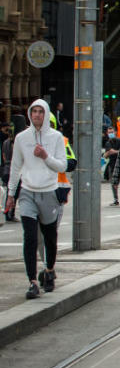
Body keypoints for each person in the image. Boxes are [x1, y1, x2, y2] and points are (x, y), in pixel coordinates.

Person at [5, 100, 67, 299]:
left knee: (49, 237)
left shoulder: (56, 137)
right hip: (27, 191)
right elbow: (15, 167)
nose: (37, 115)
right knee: (30, 237)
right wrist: (11, 194)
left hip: (48, 191)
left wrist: (45, 156)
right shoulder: (22, 138)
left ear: (46, 114)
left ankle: (49, 270)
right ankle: (32, 281)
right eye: (34, 111)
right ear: (30, 114)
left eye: (41, 111)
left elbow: (62, 166)